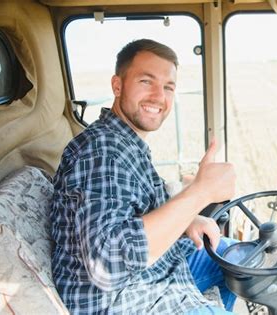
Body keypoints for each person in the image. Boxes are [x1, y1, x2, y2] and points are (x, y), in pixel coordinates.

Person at [50, 39, 237, 314]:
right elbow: (107, 264)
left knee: (232, 256)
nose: (158, 97)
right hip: (123, 301)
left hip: (154, 272)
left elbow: (134, 206)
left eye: (168, 87)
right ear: (117, 86)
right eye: (146, 82)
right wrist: (200, 193)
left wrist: (188, 218)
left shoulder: (124, 142)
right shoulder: (102, 152)